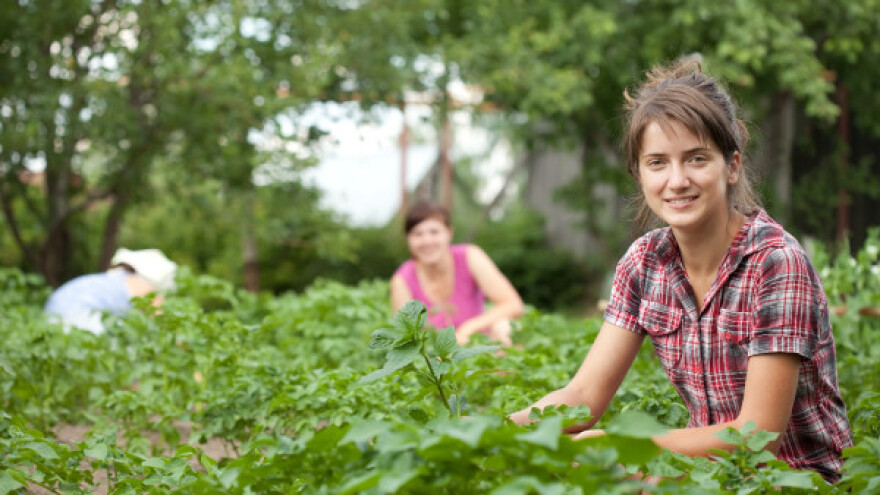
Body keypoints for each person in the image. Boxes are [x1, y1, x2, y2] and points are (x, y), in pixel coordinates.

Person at [509, 57, 852, 482]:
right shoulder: (643, 264)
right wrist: (494, 435)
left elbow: (758, 435)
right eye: (657, 163)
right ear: (639, 175)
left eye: (696, 159)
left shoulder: (775, 262)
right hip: (707, 476)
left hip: (795, 480)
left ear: (731, 166)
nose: (676, 181)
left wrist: (620, 445)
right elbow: (583, 396)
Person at [391, 201, 524, 346]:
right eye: (418, 234)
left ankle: (506, 369)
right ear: (408, 239)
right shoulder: (402, 280)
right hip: (438, 360)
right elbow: (405, 339)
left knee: (505, 326)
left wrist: (467, 329)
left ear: (449, 233)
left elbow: (513, 305)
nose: (427, 241)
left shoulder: (470, 256)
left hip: (480, 348)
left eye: (434, 232)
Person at [44, 248, 178, 334]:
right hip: (76, 323)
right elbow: (163, 324)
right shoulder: (142, 285)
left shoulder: (114, 278)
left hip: (49, 320)